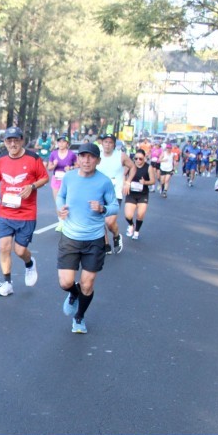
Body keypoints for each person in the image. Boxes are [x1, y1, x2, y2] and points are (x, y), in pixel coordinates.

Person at [56, 143, 119, 334]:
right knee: (65, 283)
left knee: (87, 283)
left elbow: (115, 206)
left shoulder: (104, 182)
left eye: (91, 157)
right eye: (83, 156)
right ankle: (73, 293)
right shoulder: (69, 177)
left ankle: (79, 317)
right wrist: (60, 208)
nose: (86, 160)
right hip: (70, 237)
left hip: (94, 239)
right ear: (78, 159)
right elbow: (61, 196)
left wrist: (102, 208)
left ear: (98, 160)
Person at [0, 126, 49, 296]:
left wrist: (32, 186)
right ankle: (7, 283)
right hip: (5, 212)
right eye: (9, 141)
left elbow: (45, 177)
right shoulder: (1, 159)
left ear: (22, 141)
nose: (13, 144)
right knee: (4, 247)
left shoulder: (33, 158)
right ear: (5, 142)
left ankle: (30, 263)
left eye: (16, 140)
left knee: (20, 250)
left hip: (26, 213)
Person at [95, 133, 133, 254]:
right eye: (105, 142)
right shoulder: (97, 155)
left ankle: (116, 235)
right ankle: (106, 244)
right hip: (99, 192)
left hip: (115, 193)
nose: (107, 144)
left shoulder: (120, 156)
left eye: (110, 142)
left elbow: (133, 167)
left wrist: (128, 182)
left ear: (114, 144)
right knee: (99, 220)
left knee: (109, 222)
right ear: (102, 143)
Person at [124, 149, 156, 240]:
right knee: (128, 215)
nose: (138, 160)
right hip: (131, 193)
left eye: (140, 159)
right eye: (136, 158)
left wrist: (145, 182)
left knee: (140, 214)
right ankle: (131, 225)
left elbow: (153, 181)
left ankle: (136, 231)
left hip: (143, 194)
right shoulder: (130, 166)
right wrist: (126, 183)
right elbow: (123, 175)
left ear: (144, 158)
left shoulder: (148, 167)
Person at [47, 135, 77, 232]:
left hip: (68, 181)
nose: (61, 144)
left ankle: (69, 221)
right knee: (58, 202)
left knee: (67, 202)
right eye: (59, 142)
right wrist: (54, 165)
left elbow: (78, 166)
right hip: (56, 180)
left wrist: (71, 168)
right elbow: (49, 168)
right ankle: (61, 222)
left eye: (63, 142)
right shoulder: (54, 154)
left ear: (67, 143)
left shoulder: (71, 154)